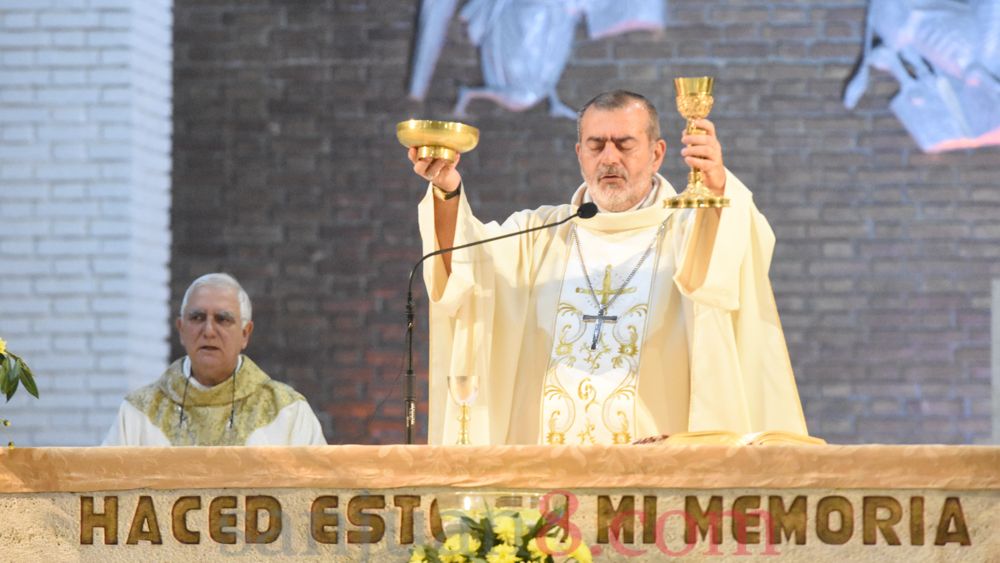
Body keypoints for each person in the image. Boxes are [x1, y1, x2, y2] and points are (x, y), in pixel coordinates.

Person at [409, 90, 807, 445]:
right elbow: (468, 275)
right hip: (549, 476)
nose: (609, 158)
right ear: (579, 153)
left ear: (656, 154)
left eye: (624, 144)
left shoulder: (691, 229)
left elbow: (734, 261)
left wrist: (719, 190)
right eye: (596, 145)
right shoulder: (540, 234)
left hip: (658, 480)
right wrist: (447, 190)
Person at [102, 273, 326, 446]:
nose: (208, 331)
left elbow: (317, 491)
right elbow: (105, 490)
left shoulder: (287, 411)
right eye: (197, 318)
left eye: (222, 319)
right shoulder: (139, 412)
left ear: (245, 333)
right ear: (181, 329)